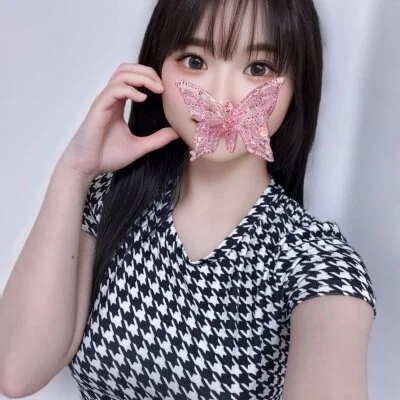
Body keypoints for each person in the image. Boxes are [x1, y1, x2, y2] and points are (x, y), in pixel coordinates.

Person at [0, 0, 377, 399]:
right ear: (156, 69)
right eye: (195, 61)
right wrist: (75, 170)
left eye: (259, 68)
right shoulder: (114, 199)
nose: (222, 96)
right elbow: (15, 372)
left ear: (297, 85)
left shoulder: (315, 261)